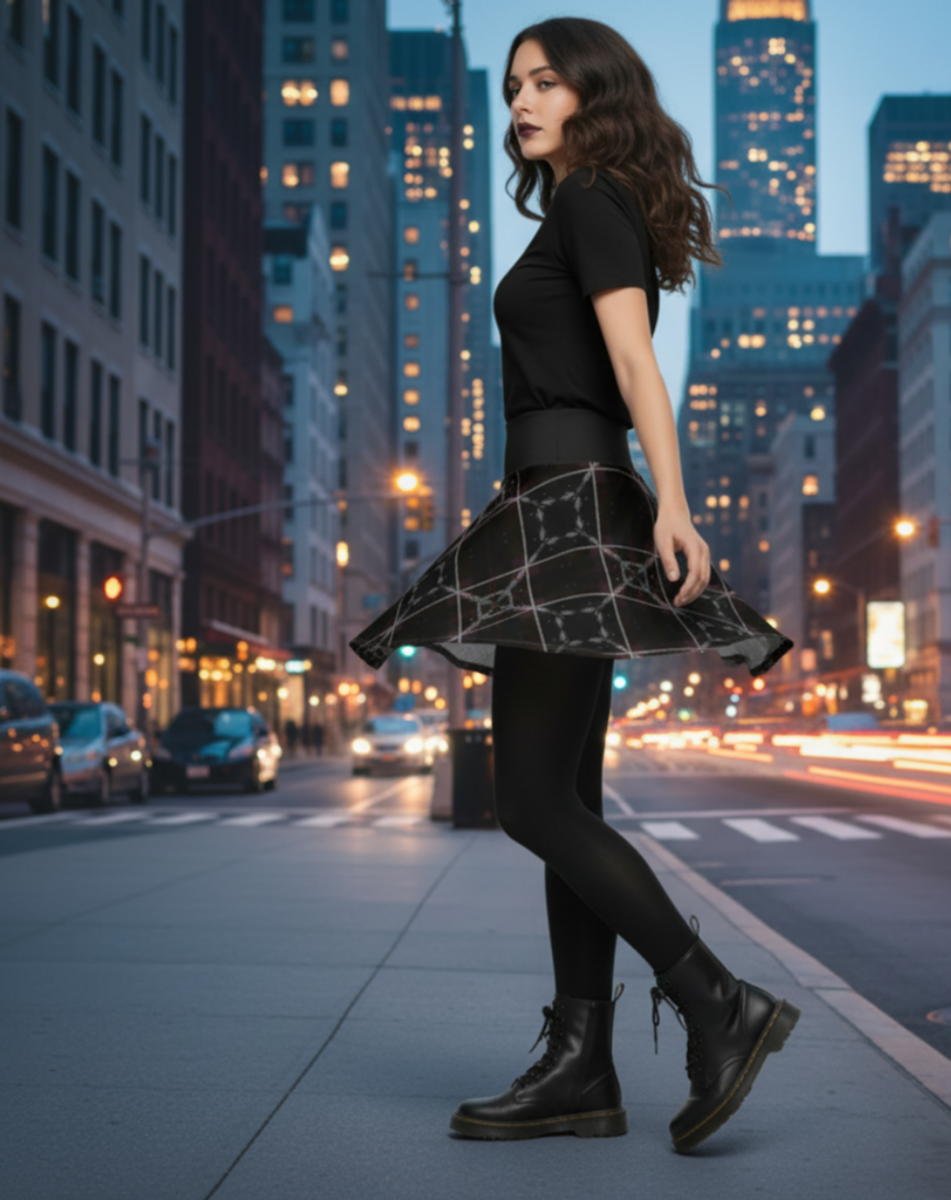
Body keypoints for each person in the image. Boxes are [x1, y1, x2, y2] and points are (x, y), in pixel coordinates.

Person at [350, 17, 797, 1153]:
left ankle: (716, 999)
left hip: (568, 508)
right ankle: (583, 1066)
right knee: (568, 807)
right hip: (555, 503)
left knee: (530, 802)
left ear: (596, 94)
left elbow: (638, 358)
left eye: (545, 81)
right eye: (513, 86)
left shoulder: (593, 203)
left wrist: (679, 503)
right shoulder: (577, 208)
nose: (520, 102)